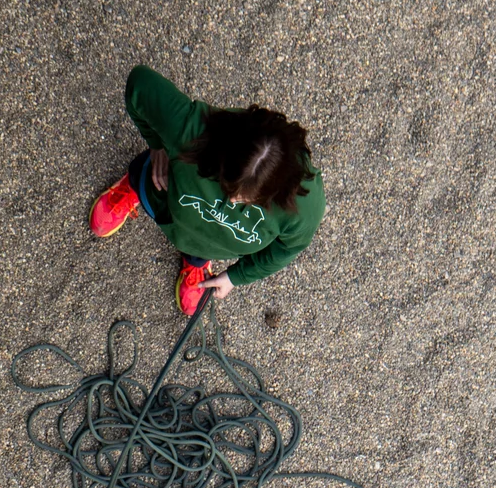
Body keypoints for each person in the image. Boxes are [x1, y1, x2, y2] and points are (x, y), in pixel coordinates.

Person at [89, 64, 324, 316]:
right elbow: (140, 83)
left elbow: (287, 249)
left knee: (199, 248)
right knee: (149, 179)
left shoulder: (306, 206)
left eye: (247, 199)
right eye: (227, 185)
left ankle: (196, 262)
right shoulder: (192, 130)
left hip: (209, 242)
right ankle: (133, 186)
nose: (232, 200)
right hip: (165, 194)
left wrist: (236, 276)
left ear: (279, 190)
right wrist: (156, 144)